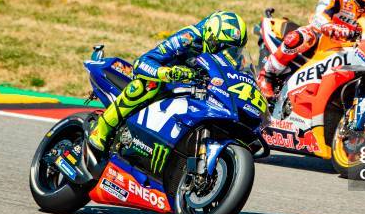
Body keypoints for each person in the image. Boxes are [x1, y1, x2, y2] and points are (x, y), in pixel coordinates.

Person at [88, 11, 248, 152]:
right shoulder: (188, 38)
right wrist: (168, 72)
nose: (228, 54)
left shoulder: (234, 59)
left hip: (191, 90)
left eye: (234, 49)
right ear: (210, 38)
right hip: (164, 82)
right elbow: (143, 62)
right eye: (222, 48)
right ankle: (102, 128)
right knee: (147, 85)